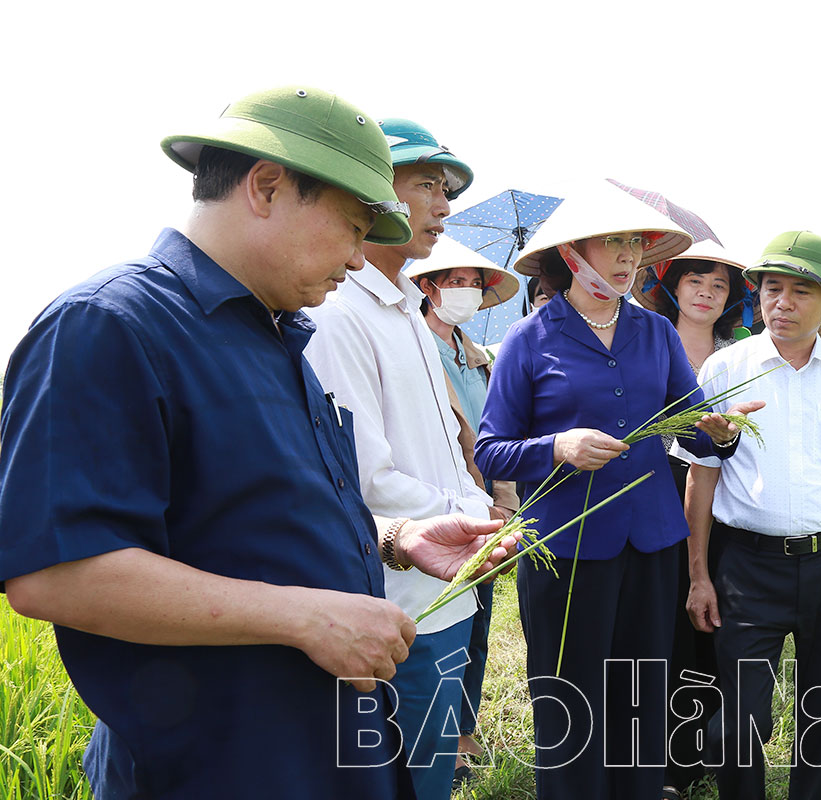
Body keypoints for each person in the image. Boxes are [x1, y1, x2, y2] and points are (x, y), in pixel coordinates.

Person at [0, 88, 514, 799]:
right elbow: (55, 573)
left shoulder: (280, 335)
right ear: (267, 187)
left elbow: (255, 519)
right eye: (352, 226)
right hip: (214, 762)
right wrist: (305, 616)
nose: (357, 259)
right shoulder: (108, 326)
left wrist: (396, 538)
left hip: (322, 742)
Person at [473, 181, 762, 800]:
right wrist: (558, 447)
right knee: (569, 694)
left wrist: (720, 432)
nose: (629, 254)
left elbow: (691, 424)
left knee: (641, 693)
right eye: (613, 241)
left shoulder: (655, 332)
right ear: (572, 252)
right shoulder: (529, 338)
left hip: (652, 541)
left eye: (635, 241)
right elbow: (491, 449)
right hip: (566, 546)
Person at [302, 117, 504, 800]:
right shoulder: (339, 314)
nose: (443, 206)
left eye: (446, 190)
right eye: (426, 185)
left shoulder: (409, 311)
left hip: (446, 591)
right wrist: (468, 517)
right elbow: (363, 478)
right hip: (398, 605)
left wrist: (477, 509)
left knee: (430, 778)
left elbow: (444, 448)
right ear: (367, 188)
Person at [677, 231, 821, 800]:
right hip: (746, 567)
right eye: (771, 288)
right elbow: (701, 476)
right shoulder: (725, 370)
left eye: (801, 292)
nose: (782, 303)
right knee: (737, 722)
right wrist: (699, 575)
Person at [402, 235, 524, 786]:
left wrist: (505, 500)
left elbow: (500, 433)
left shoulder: (480, 360)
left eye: (475, 284)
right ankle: (441, 734)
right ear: (427, 288)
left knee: (479, 616)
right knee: (443, 619)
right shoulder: (414, 346)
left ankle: (464, 724)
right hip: (442, 500)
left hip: (489, 498)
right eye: (455, 282)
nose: (467, 292)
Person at [634, 241, 749, 799]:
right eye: (695, 281)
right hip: (652, 495)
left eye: (719, 285)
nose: (706, 292)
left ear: (731, 299)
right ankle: (648, 754)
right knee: (659, 624)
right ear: (672, 287)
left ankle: (693, 752)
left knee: (709, 623)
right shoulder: (644, 342)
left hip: (722, 501)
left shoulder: (742, 355)